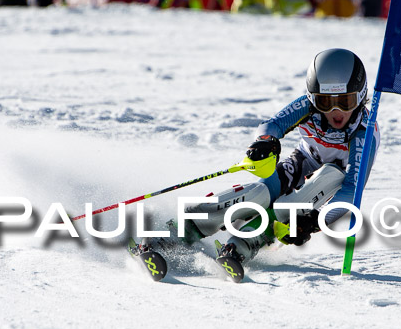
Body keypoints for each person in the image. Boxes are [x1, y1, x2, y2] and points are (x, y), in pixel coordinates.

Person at [137, 49, 381, 277]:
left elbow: (352, 189)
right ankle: (176, 231)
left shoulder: (363, 133)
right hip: (302, 161)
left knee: (297, 203)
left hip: (334, 184)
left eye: (345, 101)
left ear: (360, 96)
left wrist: (317, 221)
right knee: (258, 193)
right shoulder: (307, 106)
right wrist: (266, 142)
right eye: (326, 102)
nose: (336, 111)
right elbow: (272, 125)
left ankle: (240, 246)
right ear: (313, 98)